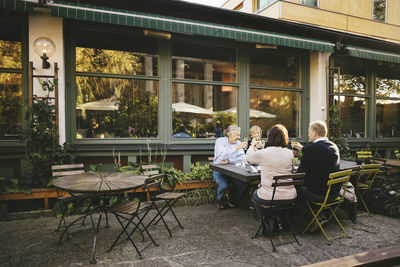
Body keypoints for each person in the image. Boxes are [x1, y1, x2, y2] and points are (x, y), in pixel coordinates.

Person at [292, 120, 340, 230]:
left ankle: (315, 218)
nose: (308, 134)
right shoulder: (333, 145)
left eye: (309, 132)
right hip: (334, 192)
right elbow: (319, 154)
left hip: (320, 194)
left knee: (293, 191)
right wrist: (303, 149)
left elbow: (300, 173)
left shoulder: (312, 148)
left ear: (314, 133)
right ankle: (320, 214)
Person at [246, 124, 296, 231]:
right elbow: (291, 171)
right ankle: (279, 220)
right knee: (275, 197)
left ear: (270, 137)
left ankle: (265, 223)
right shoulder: (290, 153)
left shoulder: (265, 153)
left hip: (270, 196)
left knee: (254, 195)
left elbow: (249, 158)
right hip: (290, 196)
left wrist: (252, 146)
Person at [213, 125, 248, 209]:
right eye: (237, 135)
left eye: (239, 135)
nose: (239, 137)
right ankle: (219, 199)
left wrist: (229, 161)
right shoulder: (220, 142)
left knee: (242, 184)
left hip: (233, 170)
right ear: (229, 134)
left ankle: (232, 198)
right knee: (224, 185)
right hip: (219, 169)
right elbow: (221, 157)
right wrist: (236, 148)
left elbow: (242, 158)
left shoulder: (238, 143)